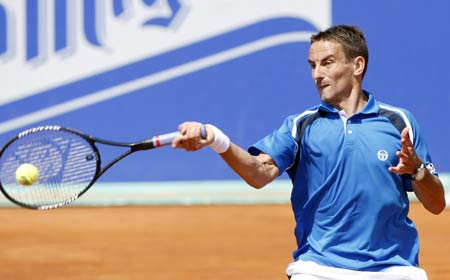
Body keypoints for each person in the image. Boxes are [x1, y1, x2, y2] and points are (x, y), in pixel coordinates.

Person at [172, 25, 446, 280]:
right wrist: (217, 139)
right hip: (318, 269)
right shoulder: (301, 126)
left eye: (327, 63)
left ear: (357, 65)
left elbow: (436, 205)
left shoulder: (399, 123)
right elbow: (259, 173)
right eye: (312, 65)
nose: (317, 74)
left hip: (393, 269)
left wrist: (417, 170)